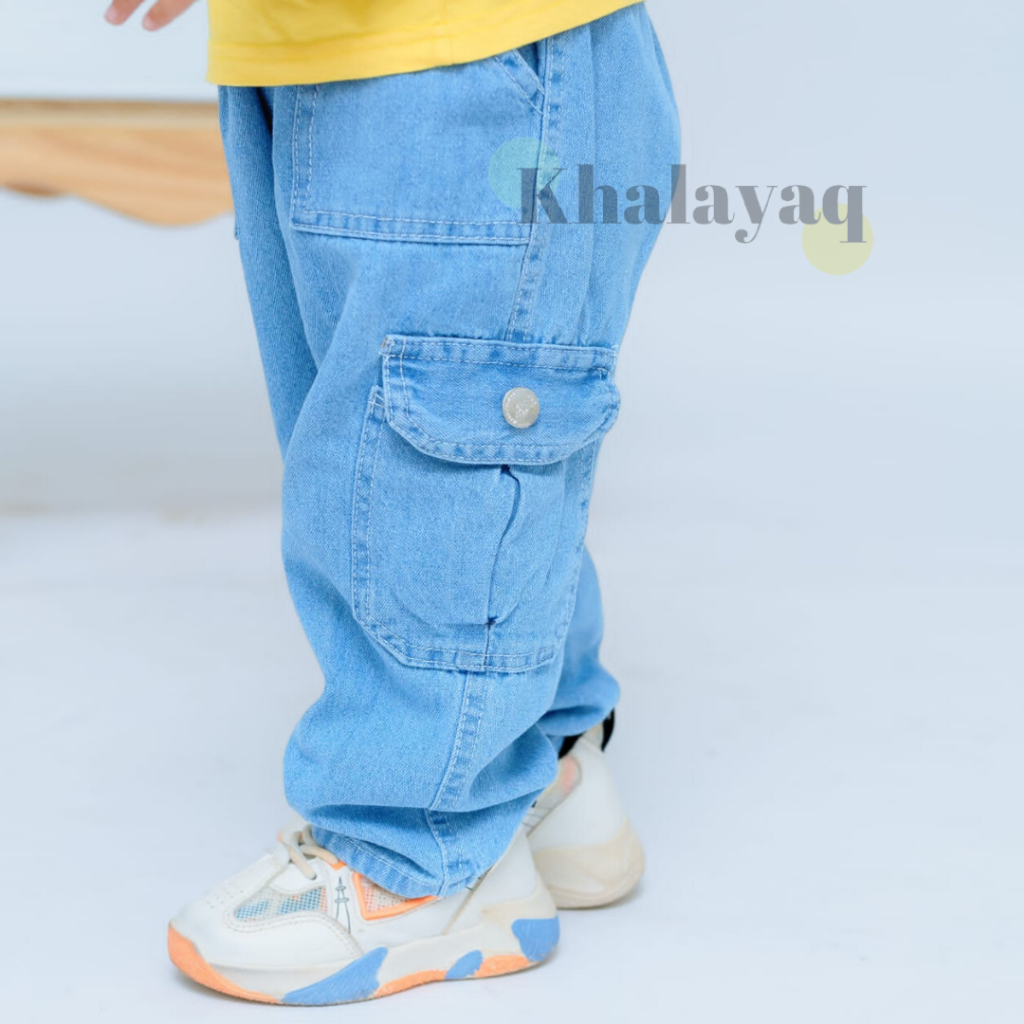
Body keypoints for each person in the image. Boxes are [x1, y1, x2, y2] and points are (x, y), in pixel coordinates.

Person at [106, 0, 679, 1005]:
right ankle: (542, 773)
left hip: (470, 58)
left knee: (441, 452)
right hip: (328, 51)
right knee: (391, 453)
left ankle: (427, 852)